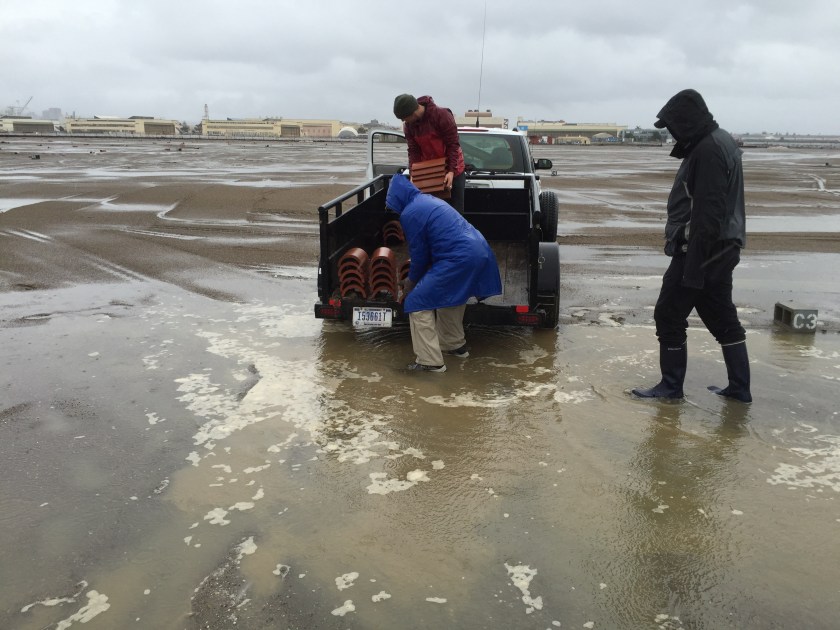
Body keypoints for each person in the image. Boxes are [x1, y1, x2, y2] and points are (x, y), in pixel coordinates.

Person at [632, 89, 752, 403]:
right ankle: (740, 389)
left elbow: (708, 214)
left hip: (703, 251)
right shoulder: (718, 141)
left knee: (668, 315)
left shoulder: (709, 150)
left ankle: (670, 388)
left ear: (686, 121)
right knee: (722, 318)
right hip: (722, 248)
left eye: (673, 127)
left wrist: (694, 267)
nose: (672, 134)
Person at [385, 173, 501, 372]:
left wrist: (410, 285)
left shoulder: (410, 212)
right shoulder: (426, 200)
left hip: (459, 257)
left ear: (397, 197)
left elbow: (420, 255)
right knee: (450, 296)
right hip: (478, 250)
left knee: (417, 303)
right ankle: (454, 346)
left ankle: (430, 363)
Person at [393, 93, 466, 213]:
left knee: (455, 213)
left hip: (454, 171)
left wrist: (451, 171)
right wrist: (414, 174)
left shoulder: (442, 115)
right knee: (433, 212)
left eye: (404, 118)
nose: (403, 121)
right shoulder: (409, 126)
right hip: (431, 172)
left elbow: (453, 145)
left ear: (412, 112)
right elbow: (413, 151)